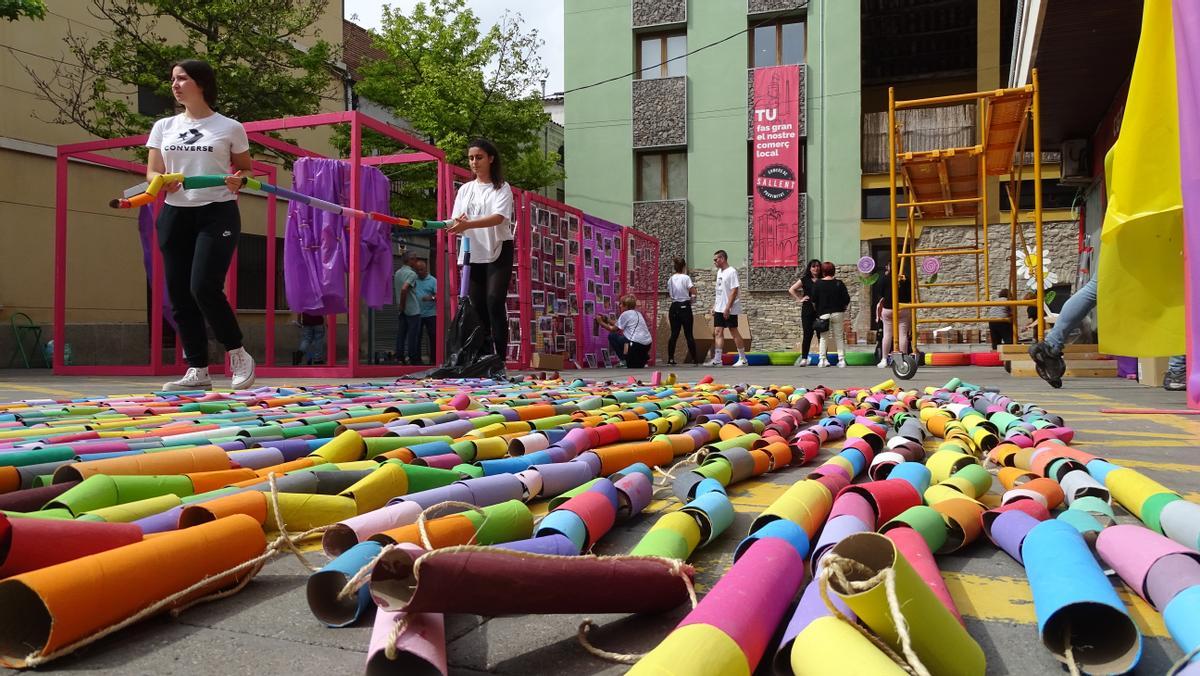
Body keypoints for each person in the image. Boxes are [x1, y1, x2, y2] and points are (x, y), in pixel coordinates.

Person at [147, 60, 255, 391]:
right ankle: (197, 369)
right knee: (179, 293)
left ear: (202, 84)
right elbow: (152, 173)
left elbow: (244, 170)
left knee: (203, 287)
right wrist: (161, 181)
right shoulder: (163, 126)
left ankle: (238, 354)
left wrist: (240, 181)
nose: (175, 84)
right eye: (173, 79)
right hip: (174, 213)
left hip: (217, 211)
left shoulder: (230, 127)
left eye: (182, 78)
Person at [447, 139, 515, 375]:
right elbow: (458, 219)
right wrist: (457, 224)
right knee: (477, 307)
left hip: (498, 249)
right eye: (471, 158)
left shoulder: (501, 188)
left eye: (479, 157)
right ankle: (485, 358)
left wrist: (468, 223)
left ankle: (501, 358)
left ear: (491, 159)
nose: (474, 162)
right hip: (472, 252)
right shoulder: (465, 190)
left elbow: (498, 217)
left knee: (494, 300)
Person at [709, 250, 748, 367]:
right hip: (719, 307)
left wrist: (728, 307)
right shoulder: (720, 272)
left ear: (722, 259)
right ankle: (717, 360)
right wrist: (715, 306)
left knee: (733, 330)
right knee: (718, 331)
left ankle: (743, 359)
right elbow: (719, 291)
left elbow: (734, 290)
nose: (714, 262)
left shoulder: (732, 272)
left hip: (729, 308)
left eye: (716, 260)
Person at [812, 261, 851, 368]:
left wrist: (818, 310)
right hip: (838, 312)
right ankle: (841, 360)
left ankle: (822, 360)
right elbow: (846, 298)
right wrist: (843, 307)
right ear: (833, 271)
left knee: (824, 337)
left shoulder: (818, 284)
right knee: (839, 337)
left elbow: (814, 299)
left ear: (823, 272)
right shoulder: (839, 283)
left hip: (823, 313)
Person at [874, 262, 912, 367]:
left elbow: (880, 295)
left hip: (888, 308)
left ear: (890, 267)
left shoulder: (884, 279)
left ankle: (884, 359)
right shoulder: (905, 279)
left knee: (887, 334)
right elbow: (910, 296)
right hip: (902, 308)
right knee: (903, 335)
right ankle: (904, 359)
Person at [597, 295, 652, 368]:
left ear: (626, 306)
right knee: (634, 364)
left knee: (613, 336)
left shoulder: (625, 314)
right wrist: (607, 320)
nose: (619, 306)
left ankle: (623, 360)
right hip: (646, 344)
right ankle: (641, 358)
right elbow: (619, 324)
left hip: (635, 344)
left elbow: (614, 329)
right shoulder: (637, 313)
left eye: (621, 304)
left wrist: (601, 322)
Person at [788, 259, 823, 367]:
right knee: (807, 335)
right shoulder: (804, 279)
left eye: (817, 266)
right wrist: (799, 299)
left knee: (821, 335)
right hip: (807, 310)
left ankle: (823, 358)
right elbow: (792, 289)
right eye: (813, 266)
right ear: (809, 268)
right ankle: (804, 358)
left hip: (821, 310)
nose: (816, 268)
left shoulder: (823, 279)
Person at [666, 257, 698, 365]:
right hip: (685, 305)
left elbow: (670, 294)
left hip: (674, 306)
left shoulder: (670, 279)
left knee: (674, 333)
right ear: (684, 267)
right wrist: (692, 300)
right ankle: (694, 359)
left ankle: (670, 358)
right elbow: (693, 291)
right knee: (688, 334)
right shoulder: (686, 278)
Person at [393, 250, 421, 365]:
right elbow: (404, 289)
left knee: (401, 334)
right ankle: (413, 358)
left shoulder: (398, 272)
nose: (416, 261)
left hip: (402, 309)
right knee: (413, 335)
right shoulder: (412, 274)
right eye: (414, 258)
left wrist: (401, 306)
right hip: (412, 309)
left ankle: (399, 357)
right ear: (409, 260)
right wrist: (403, 304)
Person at [412, 258, 438, 365]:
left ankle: (434, 360)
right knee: (416, 337)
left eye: (421, 270)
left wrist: (431, 298)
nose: (419, 272)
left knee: (433, 336)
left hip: (430, 314)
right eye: (417, 270)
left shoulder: (433, 281)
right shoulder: (414, 279)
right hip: (417, 314)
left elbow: (438, 296)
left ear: (426, 269)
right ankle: (417, 360)